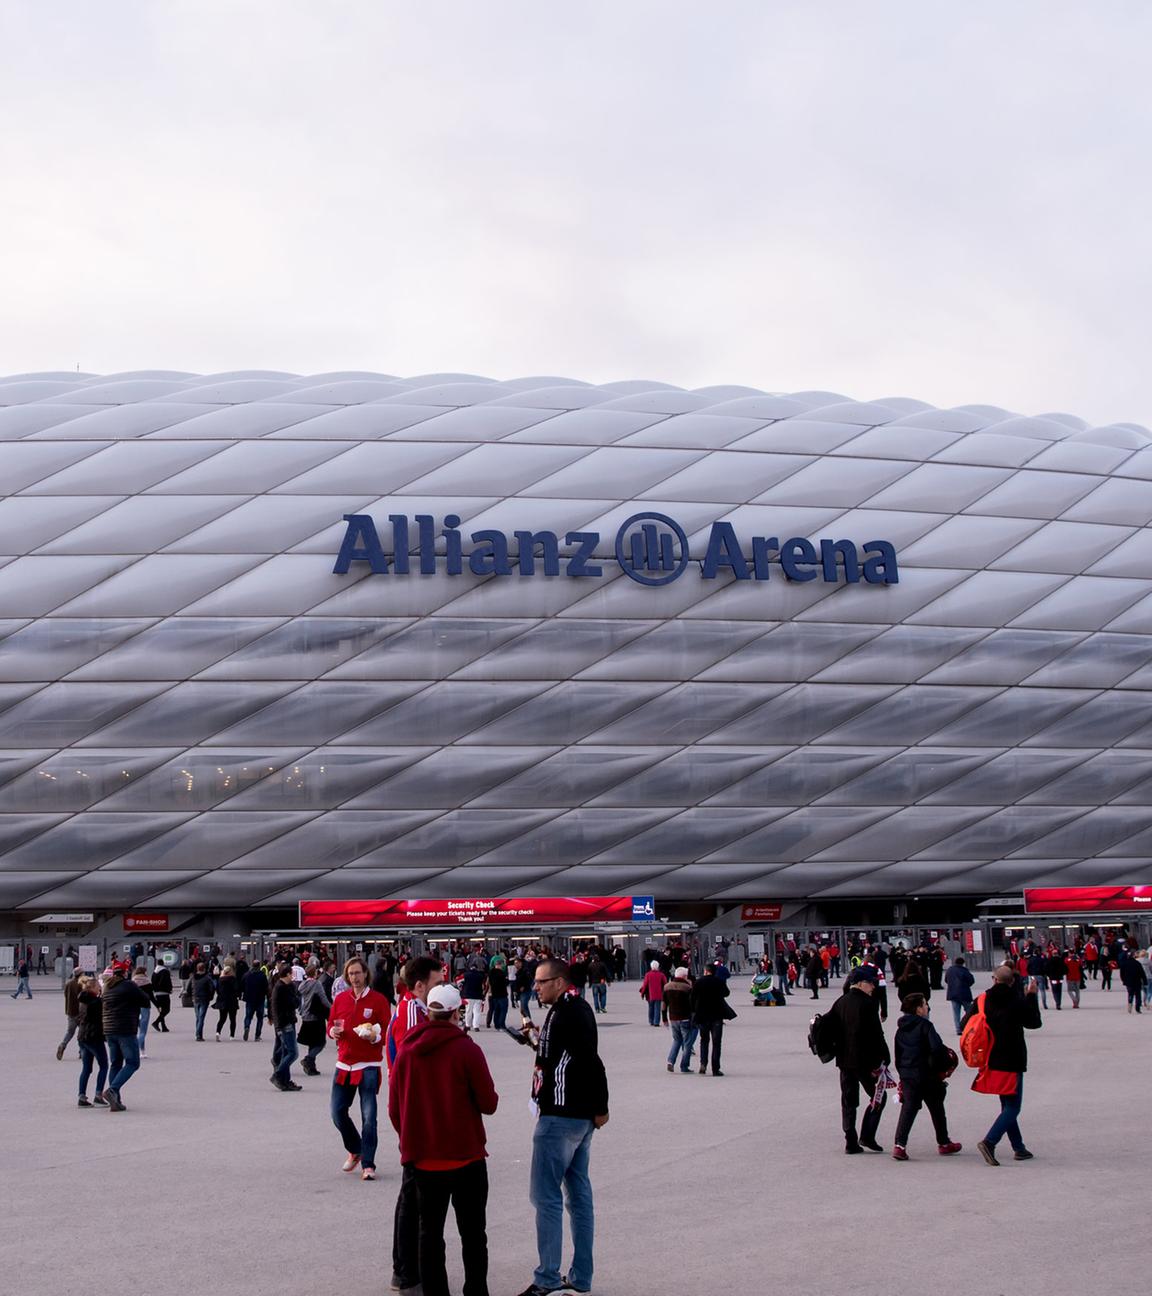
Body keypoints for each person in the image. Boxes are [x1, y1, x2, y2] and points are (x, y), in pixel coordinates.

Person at [388, 983, 499, 1296]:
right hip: (466, 1156)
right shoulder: (467, 1049)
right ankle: (476, 1291)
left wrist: (410, 1138)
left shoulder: (407, 1050)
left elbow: (395, 1109)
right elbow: (489, 1103)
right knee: (473, 1234)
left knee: (429, 1233)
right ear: (455, 1013)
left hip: (425, 1159)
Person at [517, 959, 609, 1296]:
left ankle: (548, 1277)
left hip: (560, 1115)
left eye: (541, 982)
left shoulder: (568, 1012)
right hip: (577, 1116)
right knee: (578, 1195)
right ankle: (581, 1275)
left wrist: (601, 1105)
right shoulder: (569, 1009)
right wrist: (535, 1041)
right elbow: (563, 1054)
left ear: (559, 982)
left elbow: (590, 1061)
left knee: (546, 1197)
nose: (535, 988)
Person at [387, 955, 446, 1296]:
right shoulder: (413, 1011)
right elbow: (415, 1057)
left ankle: (407, 1268)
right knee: (413, 1193)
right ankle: (406, 1270)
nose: (442, 988)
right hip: (415, 1112)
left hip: (414, 1110)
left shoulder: (416, 1008)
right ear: (420, 986)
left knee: (414, 1190)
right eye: (438, 983)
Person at [328, 956, 391, 1181]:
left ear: (366, 974)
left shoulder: (378, 1000)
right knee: (337, 1112)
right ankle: (356, 1148)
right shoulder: (340, 999)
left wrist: (375, 1037)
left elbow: (387, 1031)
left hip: (368, 1066)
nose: (354, 977)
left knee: (369, 1117)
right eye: (350, 974)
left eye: (358, 973)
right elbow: (331, 1023)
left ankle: (368, 1164)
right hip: (344, 1063)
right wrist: (332, 1032)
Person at [974, 964, 1042, 1166]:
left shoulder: (983, 999)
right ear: (1012, 981)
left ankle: (1019, 1147)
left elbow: (965, 1023)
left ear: (994, 979)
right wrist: (1031, 996)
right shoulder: (1017, 1000)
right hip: (1012, 1058)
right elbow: (1034, 1023)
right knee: (1013, 1107)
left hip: (991, 1057)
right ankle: (989, 1142)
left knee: (1006, 1105)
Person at [890, 992, 962, 1160]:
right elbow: (937, 1048)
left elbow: (898, 1055)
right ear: (918, 1009)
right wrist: (943, 1065)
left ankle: (899, 1145)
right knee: (937, 1108)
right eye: (924, 1004)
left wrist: (903, 1074)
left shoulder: (900, 1029)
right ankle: (943, 1142)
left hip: (908, 1074)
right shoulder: (926, 1026)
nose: (927, 1007)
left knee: (908, 1108)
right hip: (927, 1074)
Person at [828, 966, 890, 1154]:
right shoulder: (868, 1004)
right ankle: (867, 1135)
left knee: (848, 1100)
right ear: (861, 983)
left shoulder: (840, 1002)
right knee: (879, 1096)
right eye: (871, 983)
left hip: (844, 1060)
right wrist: (885, 1057)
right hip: (864, 1061)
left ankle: (850, 1140)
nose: (873, 987)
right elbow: (876, 1034)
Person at [101, 966, 150, 1112]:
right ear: (125, 973)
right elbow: (145, 1000)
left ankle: (115, 1100)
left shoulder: (107, 987)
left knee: (115, 1063)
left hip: (109, 1029)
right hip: (125, 1029)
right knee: (133, 1062)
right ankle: (113, 1090)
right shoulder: (129, 985)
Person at [690, 963, 731, 1077]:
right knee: (716, 1042)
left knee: (704, 1040)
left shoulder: (699, 982)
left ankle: (703, 1064)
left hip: (702, 1015)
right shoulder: (719, 981)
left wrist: (694, 1011)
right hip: (716, 1015)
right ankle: (715, 1068)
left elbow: (692, 997)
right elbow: (726, 993)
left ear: (706, 971)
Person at [76, 975, 109, 1107]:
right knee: (104, 1065)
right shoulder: (96, 1002)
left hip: (82, 1036)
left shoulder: (83, 1000)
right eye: (98, 987)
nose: (100, 988)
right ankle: (98, 1095)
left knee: (86, 1068)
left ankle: (81, 1096)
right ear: (93, 988)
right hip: (94, 1036)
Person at [269, 966, 302, 1091]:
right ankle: (277, 1074)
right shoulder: (281, 988)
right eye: (291, 974)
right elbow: (293, 1003)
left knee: (286, 1052)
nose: (293, 976)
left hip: (286, 1022)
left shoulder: (285, 986)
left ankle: (285, 1080)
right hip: (285, 1023)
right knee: (293, 1053)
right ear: (287, 974)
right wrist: (278, 1025)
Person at [298, 964, 332, 1073]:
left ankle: (311, 1067)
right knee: (321, 1042)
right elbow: (323, 999)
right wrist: (332, 1007)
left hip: (306, 1015)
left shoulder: (303, 984)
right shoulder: (317, 984)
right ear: (315, 973)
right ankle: (308, 1059)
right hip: (316, 1016)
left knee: (312, 1042)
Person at [663, 966, 697, 1073]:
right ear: (684, 976)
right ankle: (684, 1066)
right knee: (687, 1043)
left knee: (676, 1040)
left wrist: (664, 1018)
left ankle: (670, 1061)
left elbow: (664, 1004)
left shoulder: (667, 986)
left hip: (673, 1018)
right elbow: (692, 1004)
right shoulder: (687, 988)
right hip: (685, 1017)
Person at [57, 966, 85, 1059]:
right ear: (80, 974)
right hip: (80, 1012)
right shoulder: (82, 984)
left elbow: (65, 995)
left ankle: (63, 1045)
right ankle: (82, 1052)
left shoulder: (68, 984)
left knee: (70, 1032)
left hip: (70, 1012)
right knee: (82, 1033)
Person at [943, 956, 975, 1035]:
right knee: (969, 1012)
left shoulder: (950, 970)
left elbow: (946, 980)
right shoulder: (964, 970)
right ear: (963, 963)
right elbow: (971, 980)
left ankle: (958, 1029)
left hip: (953, 994)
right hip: (964, 993)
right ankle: (968, 1026)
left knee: (956, 1013)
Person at [132, 966, 157, 1056]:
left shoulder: (132, 982)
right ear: (144, 972)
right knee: (143, 1031)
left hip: (134, 1007)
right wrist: (158, 1006)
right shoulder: (147, 982)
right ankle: (139, 1050)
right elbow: (151, 997)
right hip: (145, 1007)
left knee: (135, 1031)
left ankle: (142, 1050)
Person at [213, 964, 241, 1041]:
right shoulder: (233, 980)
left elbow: (217, 990)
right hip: (232, 1001)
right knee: (232, 1019)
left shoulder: (220, 980)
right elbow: (237, 989)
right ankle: (232, 1036)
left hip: (222, 1001)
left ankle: (218, 1032)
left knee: (222, 1018)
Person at [242, 961, 269, 1041]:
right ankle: (257, 1035)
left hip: (249, 998)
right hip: (260, 998)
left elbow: (242, 984)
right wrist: (266, 994)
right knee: (260, 1018)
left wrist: (244, 993)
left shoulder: (247, 975)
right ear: (259, 966)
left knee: (248, 1016)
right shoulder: (262, 975)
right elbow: (266, 986)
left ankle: (247, 1027)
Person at [190, 962, 215, 1041]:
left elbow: (188, 988)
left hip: (195, 998)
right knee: (201, 1017)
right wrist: (210, 996)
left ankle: (199, 1035)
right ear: (204, 969)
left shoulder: (193, 977)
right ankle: (198, 1034)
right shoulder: (207, 978)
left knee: (198, 1017)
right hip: (204, 998)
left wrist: (192, 994)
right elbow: (212, 988)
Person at [461, 960, 487, 1032]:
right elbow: (483, 986)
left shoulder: (465, 975)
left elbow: (460, 983)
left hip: (468, 996)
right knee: (477, 1012)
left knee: (468, 1011)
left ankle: (468, 1025)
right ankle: (476, 1026)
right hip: (478, 996)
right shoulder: (480, 975)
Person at [1119, 950, 1147, 1014]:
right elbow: (1142, 973)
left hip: (1129, 982)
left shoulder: (1124, 964)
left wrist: (1124, 980)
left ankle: (1130, 1004)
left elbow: (1122, 974)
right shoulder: (1137, 963)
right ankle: (1137, 1008)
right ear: (1134, 956)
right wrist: (1145, 981)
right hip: (1137, 982)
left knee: (1130, 994)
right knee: (1138, 995)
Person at [639, 960, 666, 1027]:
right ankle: (656, 1022)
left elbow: (645, 985)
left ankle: (651, 1021)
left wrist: (642, 993)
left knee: (651, 1008)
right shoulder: (661, 975)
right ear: (658, 967)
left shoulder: (648, 974)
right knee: (657, 1008)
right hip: (659, 994)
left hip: (650, 995)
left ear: (651, 967)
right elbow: (665, 984)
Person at [151, 962, 173, 1032]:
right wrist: (170, 989)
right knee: (167, 1010)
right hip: (164, 992)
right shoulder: (165, 971)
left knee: (162, 1010)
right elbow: (167, 981)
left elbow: (152, 981)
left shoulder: (154, 972)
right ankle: (156, 1022)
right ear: (163, 964)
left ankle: (164, 1026)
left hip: (157, 993)